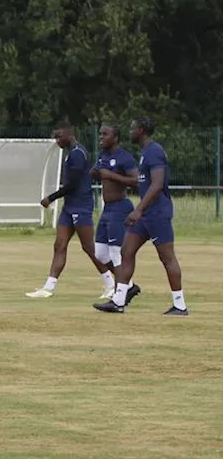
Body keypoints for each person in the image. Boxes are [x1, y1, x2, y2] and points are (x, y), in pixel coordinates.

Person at [95, 118, 188, 316]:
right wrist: (140, 211)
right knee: (126, 251)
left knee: (167, 257)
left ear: (142, 130)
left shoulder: (154, 151)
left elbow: (157, 184)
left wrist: (139, 209)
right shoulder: (145, 152)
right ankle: (118, 301)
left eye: (132, 129)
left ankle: (180, 305)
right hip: (145, 214)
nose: (130, 132)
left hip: (157, 213)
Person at [25, 122, 107, 298]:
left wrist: (50, 198)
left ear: (69, 135)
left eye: (59, 136)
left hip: (81, 206)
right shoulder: (70, 153)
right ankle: (49, 288)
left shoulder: (78, 154)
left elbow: (73, 185)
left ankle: (111, 284)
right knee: (59, 245)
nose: (56, 140)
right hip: (69, 207)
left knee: (89, 247)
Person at [90, 124, 139, 301]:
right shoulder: (103, 155)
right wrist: (94, 173)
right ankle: (130, 285)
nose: (101, 137)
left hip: (120, 208)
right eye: (100, 133)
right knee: (100, 253)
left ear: (115, 137)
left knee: (116, 253)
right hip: (107, 208)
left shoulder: (123, 157)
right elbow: (99, 173)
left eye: (105, 134)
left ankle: (120, 295)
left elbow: (135, 180)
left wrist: (111, 176)